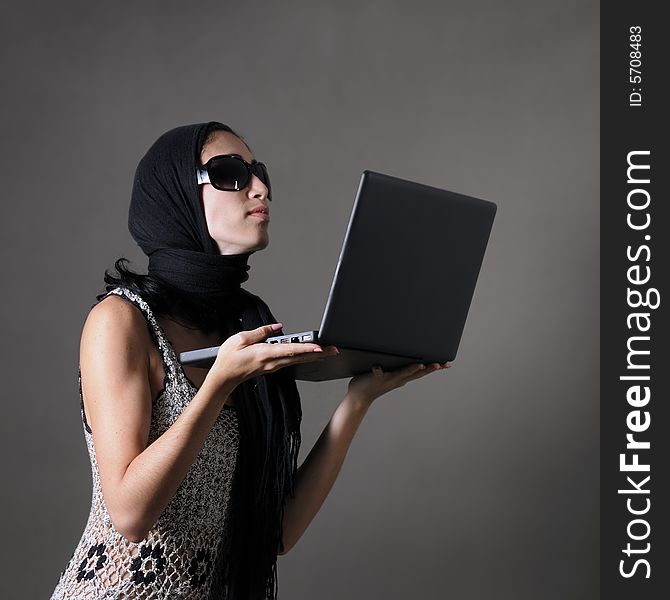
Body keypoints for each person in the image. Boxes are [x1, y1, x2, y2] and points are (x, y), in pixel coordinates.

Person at [49, 121, 449, 600]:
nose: (259, 187)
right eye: (230, 173)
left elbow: (276, 533)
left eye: (259, 173)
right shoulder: (120, 321)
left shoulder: (244, 324)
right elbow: (130, 514)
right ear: (175, 196)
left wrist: (357, 401)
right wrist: (220, 384)